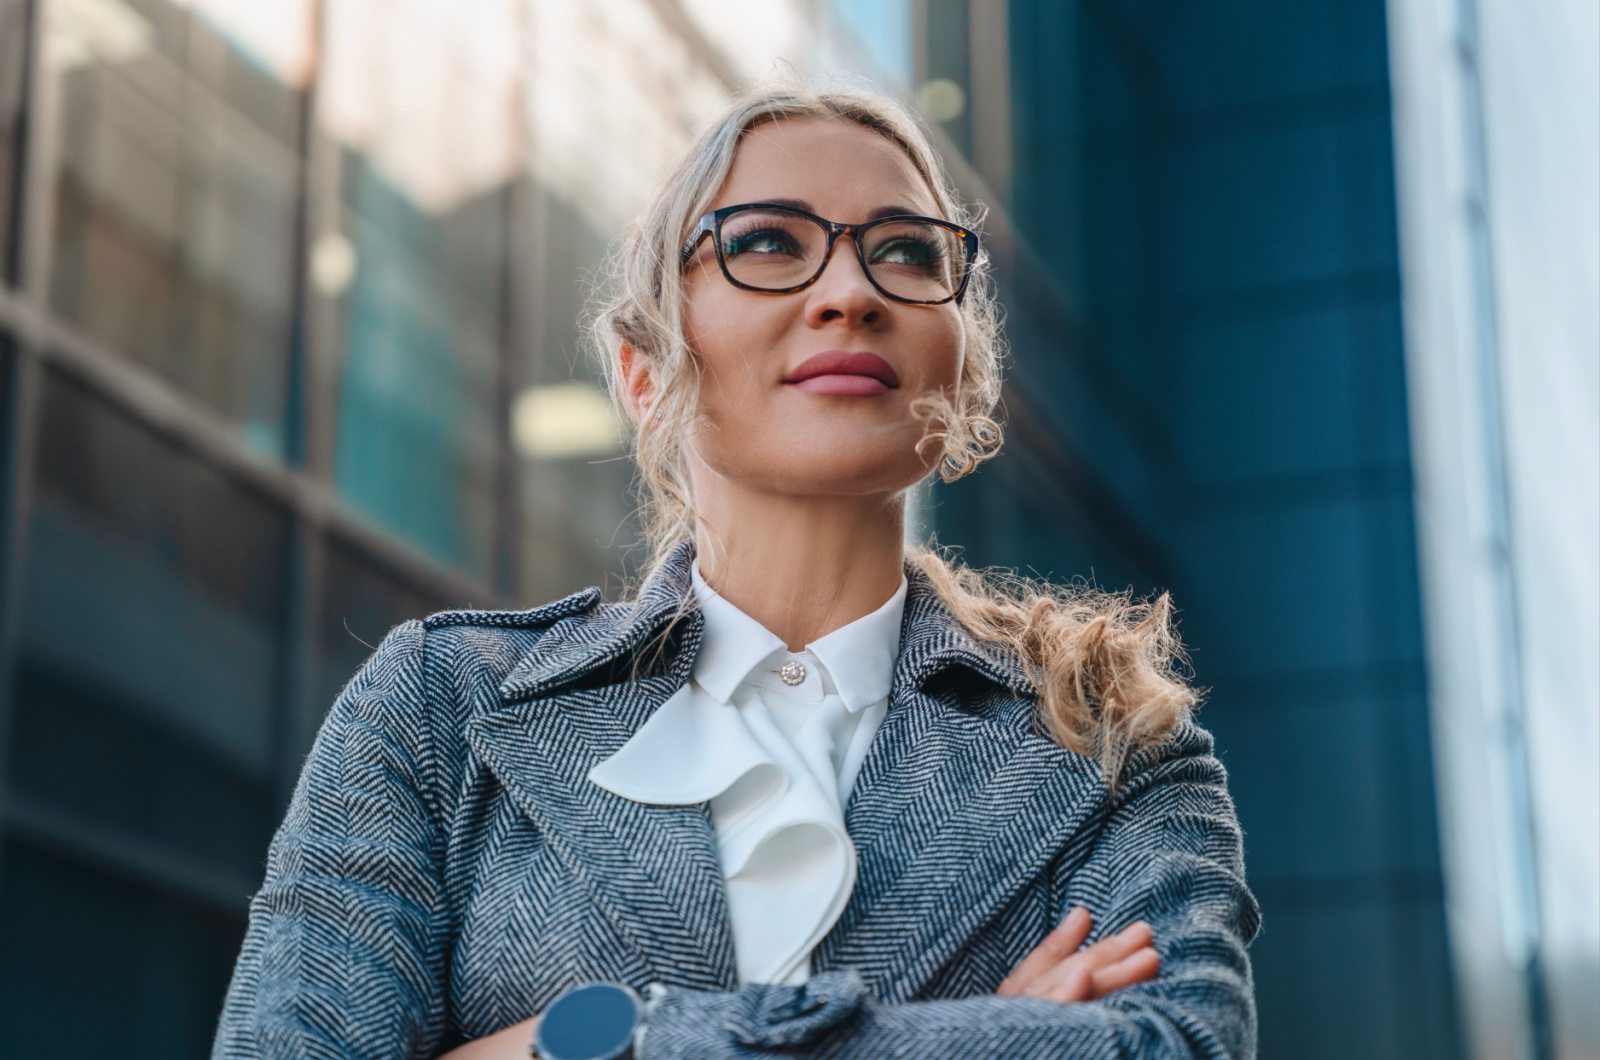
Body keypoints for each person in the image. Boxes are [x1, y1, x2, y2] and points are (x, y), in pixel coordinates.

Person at [212, 87, 1260, 1060]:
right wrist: (981, 1035)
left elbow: (1178, 1045)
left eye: (904, 252)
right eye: (767, 242)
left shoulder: (1114, 737)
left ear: (962, 363)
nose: (849, 291)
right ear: (643, 368)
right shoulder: (441, 706)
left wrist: (588, 1041)